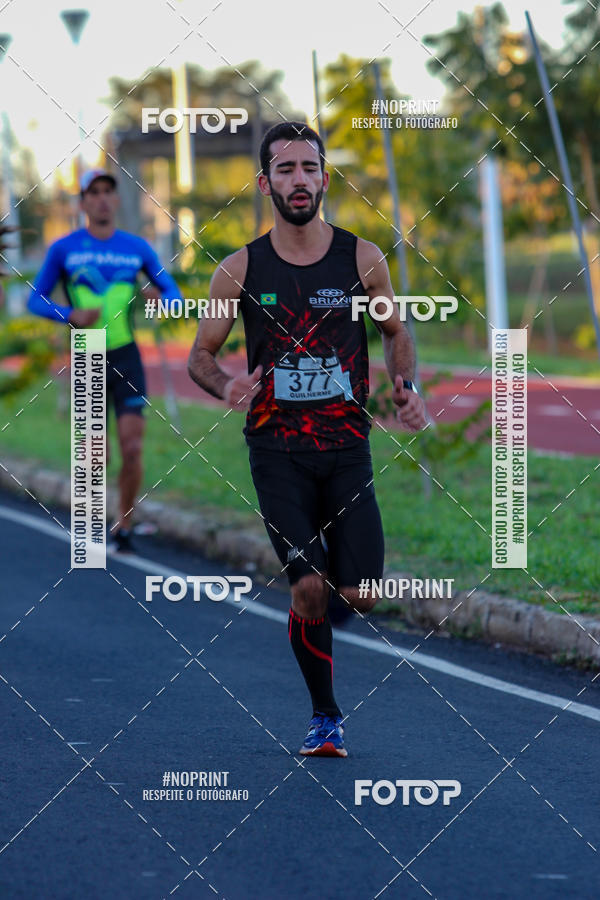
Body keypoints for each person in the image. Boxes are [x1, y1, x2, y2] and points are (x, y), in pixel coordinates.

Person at [188, 122, 427, 757]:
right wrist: (228, 386)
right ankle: (326, 717)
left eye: (310, 168)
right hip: (277, 452)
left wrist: (406, 383)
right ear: (265, 182)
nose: (300, 179)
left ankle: (313, 618)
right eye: (286, 169)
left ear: (325, 177)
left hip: (348, 448)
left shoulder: (361, 258)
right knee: (308, 584)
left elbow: (395, 332)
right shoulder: (238, 269)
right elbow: (201, 357)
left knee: (361, 592)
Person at [28, 169, 180, 552]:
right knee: (98, 456)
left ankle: (125, 523)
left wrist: (161, 299)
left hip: (127, 355)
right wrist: (69, 315)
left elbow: (174, 293)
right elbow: (35, 299)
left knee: (132, 449)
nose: (100, 199)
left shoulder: (137, 248)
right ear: (82, 203)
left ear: (116, 199)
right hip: (88, 356)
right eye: (92, 193)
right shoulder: (64, 248)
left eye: (107, 192)